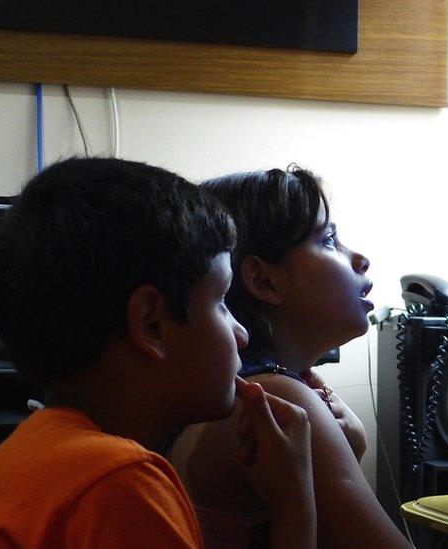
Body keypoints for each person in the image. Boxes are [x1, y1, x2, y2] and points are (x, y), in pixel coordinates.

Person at [0, 158, 316, 549]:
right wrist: (296, 501)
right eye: (221, 301)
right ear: (152, 324)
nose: (241, 334)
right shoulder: (118, 482)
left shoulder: (29, 458)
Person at [170, 166, 411, 548]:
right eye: (329, 240)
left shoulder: (226, 392)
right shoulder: (275, 400)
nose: (361, 259)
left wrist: (351, 447)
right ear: (265, 282)